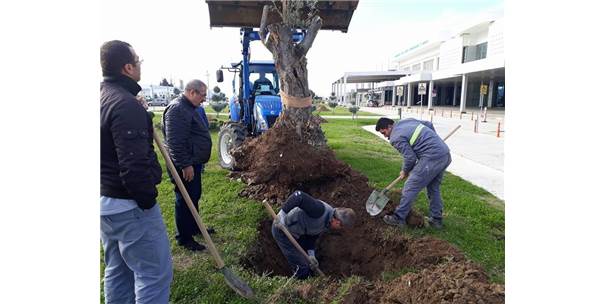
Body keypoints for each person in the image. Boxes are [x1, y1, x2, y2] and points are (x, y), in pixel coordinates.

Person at [100, 40, 172, 303]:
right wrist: (146, 201)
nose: (140, 64)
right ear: (127, 67)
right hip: (129, 207)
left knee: (118, 271)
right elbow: (133, 165)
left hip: (105, 203)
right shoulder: (125, 104)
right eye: (137, 60)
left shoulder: (103, 96)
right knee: (153, 275)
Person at [162, 80, 212, 251]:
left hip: (193, 161)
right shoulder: (177, 109)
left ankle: (195, 227)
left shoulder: (189, 107)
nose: (204, 99)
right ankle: (184, 237)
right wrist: (185, 165)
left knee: (194, 195)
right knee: (184, 199)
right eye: (203, 94)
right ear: (192, 92)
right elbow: (175, 142)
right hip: (185, 164)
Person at [375, 117, 451, 229]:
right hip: (444, 154)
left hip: (431, 158)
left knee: (410, 186)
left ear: (390, 127)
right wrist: (433, 141)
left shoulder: (395, 138)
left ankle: (398, 218)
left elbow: (410, 158)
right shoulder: (407, 121)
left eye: (384, 132)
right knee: (433, 188)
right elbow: (428, 124)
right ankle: (436, 220)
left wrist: (405, 171)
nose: (385, 136)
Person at [272, 191, 356, 279]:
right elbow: (299, 195)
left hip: (298, 234)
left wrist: (311, 254)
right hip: (282, 230)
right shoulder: (319, 210)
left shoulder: (327, 223)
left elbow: (312, 236)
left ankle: (310, 279)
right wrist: (281, 215)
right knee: (302, 268)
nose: (340, 229)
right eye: (341, 227)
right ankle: (300, 287)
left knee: (309, 266)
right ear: (338, 222)